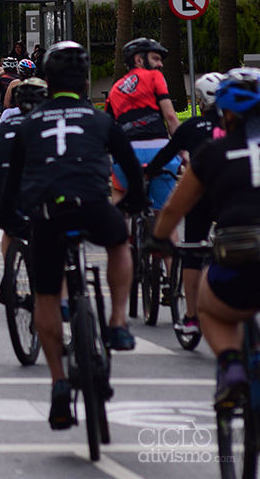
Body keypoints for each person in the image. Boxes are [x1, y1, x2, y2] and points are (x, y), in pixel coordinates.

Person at [0, 41, 148, 430]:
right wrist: (136, 202)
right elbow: (130, 165)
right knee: (118, 243)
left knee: (46, 297)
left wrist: (10, 220)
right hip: (94, 205)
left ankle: (59, 384)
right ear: (84, 80)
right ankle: (117, 322)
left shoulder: (30, 121)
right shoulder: (99, 119)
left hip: (48, 212)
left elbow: (13, 182)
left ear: (47, 80)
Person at [150, 68, 260, 407]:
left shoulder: (212, 153)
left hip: (238, 250)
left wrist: (157, 241)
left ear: (226, 113)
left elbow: (173, 210)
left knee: (211, 310)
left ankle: (230, 366)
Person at [144, 72, 223, 339]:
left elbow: (166, 155)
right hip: (232, 196)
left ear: (200, 101)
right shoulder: (240, 129)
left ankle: (191, 317)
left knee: (192, 250)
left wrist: (149, 171)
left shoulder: (192, 128)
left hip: (199, 194)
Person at [106, 37, 181, 228]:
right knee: (164, 215)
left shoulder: (115, 89)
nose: (160, 64)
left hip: (127, 155)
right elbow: (171, 118)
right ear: (139, 60)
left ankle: (122, 245)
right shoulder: (154, 77)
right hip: (160, 152)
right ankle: (168, 257)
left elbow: (109, 129)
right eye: (156, 58)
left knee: (119, 196)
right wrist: (186, 150)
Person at [0, 78, 48, 301]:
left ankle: (9, 274)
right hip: (30, 185)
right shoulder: (46, 125)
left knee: (11, 230)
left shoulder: (3, 126)